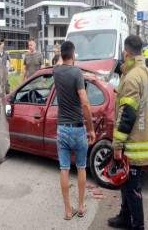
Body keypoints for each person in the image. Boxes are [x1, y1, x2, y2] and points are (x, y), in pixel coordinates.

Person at [107, 35, 148, 230]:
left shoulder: (131, 78)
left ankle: (137, 226)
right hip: (145, 139)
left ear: (126, 53)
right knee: (127, 183)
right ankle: (124, 216)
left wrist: (117, 146)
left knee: (132, 189)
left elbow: (128, 115)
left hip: (134, 144)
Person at [53, 41, 96, 221]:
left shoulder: (56, 71)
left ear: (62, 55)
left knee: (64, 168)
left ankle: (67, 210)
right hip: (78, 128)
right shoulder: (77, 73)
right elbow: (85, 102)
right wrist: (91, 128)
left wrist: (58, 54)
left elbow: (56, 62)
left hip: (62, 128)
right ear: (73, 54)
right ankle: (80, 206)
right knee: (80, 167)